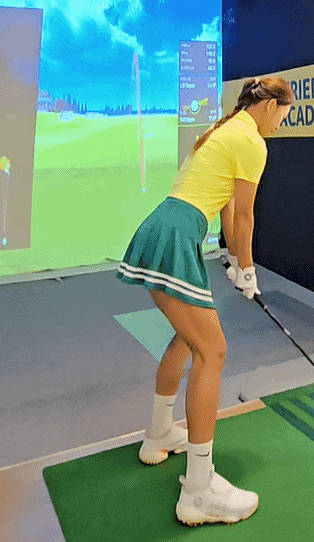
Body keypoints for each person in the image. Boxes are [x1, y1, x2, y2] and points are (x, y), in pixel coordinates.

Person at [116, 76, 294, 526]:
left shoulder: (226, 130)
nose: (280, 124)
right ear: (270, 106)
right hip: (177, 235)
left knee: (187, 337)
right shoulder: (251, 141)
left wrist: (235, 262)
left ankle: (159, 433)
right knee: (212, 351)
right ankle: (198, 490)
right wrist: (249, 270)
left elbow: (228, 212)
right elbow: (246, 215)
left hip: (163, 226)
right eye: (283, 115)